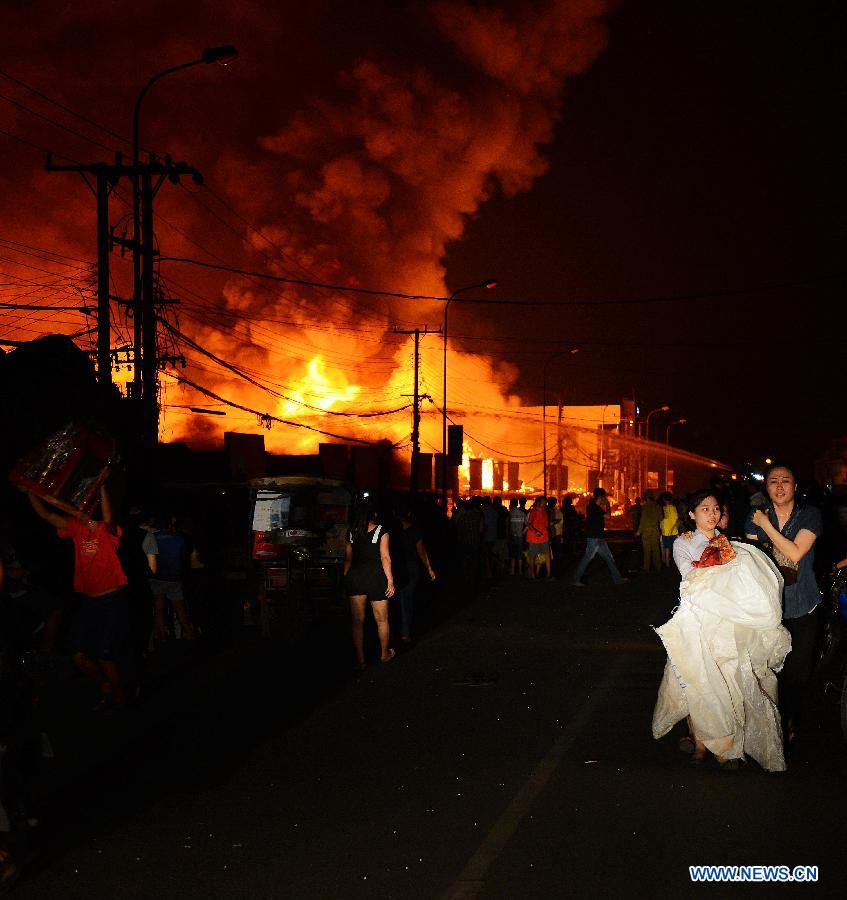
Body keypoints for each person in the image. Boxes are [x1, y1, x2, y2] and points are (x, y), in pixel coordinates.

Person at [653, 489, 790, 772]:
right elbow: (688, 572)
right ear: (691, 514)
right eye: (705, 508)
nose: (712, 513)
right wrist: (718, 561)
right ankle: (701, 743)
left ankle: (726, 746)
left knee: (725, 680)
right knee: (696, 679)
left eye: (716, 508)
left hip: (725, 622)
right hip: (697, 619)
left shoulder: (728, 542)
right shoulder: (684, 542)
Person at [25, 483, 129, 710]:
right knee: (77, 656)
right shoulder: (74, 528)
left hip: (111, 600)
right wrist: (30, 491)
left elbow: (108, 515)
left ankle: (121, 700)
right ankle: (104, 685)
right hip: (90, 601)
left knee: (105, 656)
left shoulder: (106, 530)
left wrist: (102, 484)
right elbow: (45, 514)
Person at [745, 461, 822, 751]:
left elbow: (796, 552)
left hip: (803, 605)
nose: (779, 486)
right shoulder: (753, 517)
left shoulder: (809, 515)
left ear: (795, 487)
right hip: (768, 609)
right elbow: (751, 558)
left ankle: (791, 719)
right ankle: (776, 724)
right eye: (773, 480)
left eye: (785, 480)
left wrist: (765, 525)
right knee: (770, 671)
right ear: (766, 486)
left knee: (798, 673)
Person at [344, 502, 395, 670]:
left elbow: (348, 559)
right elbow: (385, 558)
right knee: (382, 619)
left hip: (356, 577)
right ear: (373, 514)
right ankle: (384, 654)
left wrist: (345, 579)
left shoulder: (351, 532)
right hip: (376, 578)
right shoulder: (381, 531)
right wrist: (390, 580)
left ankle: (361, 660)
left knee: (357, 621)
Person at [142, 513, 195, 644]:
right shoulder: (178, 539)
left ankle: (161, 637)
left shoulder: (152, 537)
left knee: (158, 608)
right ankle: (188, 633)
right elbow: (183, 557)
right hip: (173, 578)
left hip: (156, 578)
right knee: (179, 607)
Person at [394, 506, 436, 644]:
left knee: (399, 600)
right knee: (408, 599)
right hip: (411, 567)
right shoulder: (414, 530)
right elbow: (421, 551)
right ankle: (405, 631)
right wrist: (429, 568)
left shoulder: (391, 530)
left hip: (396, 568)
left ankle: (400, 629)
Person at [572, 488, 628, 587]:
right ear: (600, 497)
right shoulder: (595, 508)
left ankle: (618, 579)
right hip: (595, 538)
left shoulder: (592, 506)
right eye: (604, 497)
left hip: (598, 537)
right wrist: (607, 504)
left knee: (609, 558)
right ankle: (575, 579)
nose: (605, 499)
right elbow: (608, 516)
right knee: (587, 559)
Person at [635, 491, 661, 574]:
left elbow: (643, 520)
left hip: (646, 531)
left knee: (647, 551)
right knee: (656, 550)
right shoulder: (658, 506)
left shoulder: (644, 507)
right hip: (655, 531)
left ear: (645, 498)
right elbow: (661, 519)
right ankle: (658, 567)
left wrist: (639, 532)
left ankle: (646, 568)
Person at [525, 497, 552, 579]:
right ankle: (533, 574)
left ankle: (548, 574)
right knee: (532, 557)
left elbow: (546, 526)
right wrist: (535, 531)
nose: (544, 504)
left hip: (544, 537)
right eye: (543, 502)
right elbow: (529, 524)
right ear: (538, 503)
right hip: (533, 538)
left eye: (545, 502)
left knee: (547, 556)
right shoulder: (533, 512)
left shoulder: (545, 512)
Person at [659, 492, 680, 568]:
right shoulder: (674, 508)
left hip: (665, 532)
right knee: (674, 548)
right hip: (674, 532)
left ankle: (667, 564)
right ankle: (675, 563)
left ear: (664, 500)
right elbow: (677, 519)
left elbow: (661, 520)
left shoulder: (663, 508)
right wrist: (674, 527)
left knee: (666, 548)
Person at [507, 498, 527, 576]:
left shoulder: (510, 513)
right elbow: (527, 524)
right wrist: (523, 532)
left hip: (512, 536)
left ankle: (512, 571)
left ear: (511, 504)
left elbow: (508, 525)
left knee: (512, 554)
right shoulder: (522, 513)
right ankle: (520, 571)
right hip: (520, 536)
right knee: (519, 554)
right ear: (517, 504)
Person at [548, 497, 564, 577]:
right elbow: (561, 525)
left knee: (550, 555)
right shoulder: (559, 512)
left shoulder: (547, 511)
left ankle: (551, 573)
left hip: (550, 536)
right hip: (557, 535)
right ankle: (556, 573)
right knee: (556, 555)